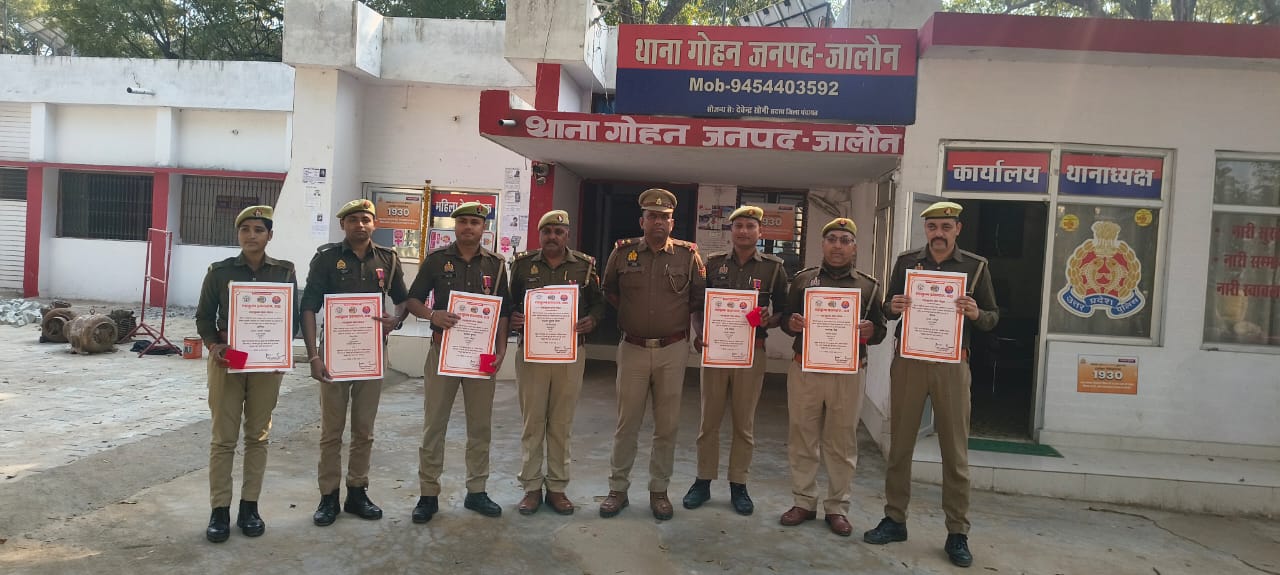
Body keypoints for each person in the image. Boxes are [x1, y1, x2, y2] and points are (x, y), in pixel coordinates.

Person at [862, 201, 998, 568]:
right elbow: (886, 309)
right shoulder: (907, 262)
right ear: (926, 229)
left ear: (958, 229)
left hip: (952, 364)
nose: (939, 233)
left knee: (954, 451)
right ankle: (895, 519)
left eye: (946, 227)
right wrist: (893, 306)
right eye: (933, 227)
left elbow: (992, 316)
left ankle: (957, 531)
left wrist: (976, 313)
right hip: (909, 361)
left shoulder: (975, 266)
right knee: (900, 445)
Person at [300, 198, 409, 527]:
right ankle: (328, 496)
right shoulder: (326, 258)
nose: (360, 224)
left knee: (364, 429)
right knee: (331, 430)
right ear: (342, 225)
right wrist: (313, 356)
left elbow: (403, 300)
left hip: (371, 355)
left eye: (365, 219)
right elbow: (308, 307)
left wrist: (396, 320)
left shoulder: (388, 259)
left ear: (374, 223)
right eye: (353, 220)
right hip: (334, 355)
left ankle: (357, 492)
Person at [599, 188, 706, 521]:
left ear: (672, 223)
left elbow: (698, 298)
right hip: (632, 348)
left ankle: (659, 490)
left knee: (667, 425)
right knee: (626, 424)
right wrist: (633, 314)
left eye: (664, 217)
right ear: (641, 221)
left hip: (672, 349)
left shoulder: (689, 256)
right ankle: (618, 489)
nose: (658, 221)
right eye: (652, 216)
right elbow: (609, 290)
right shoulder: (622, 252)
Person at [404, 201, 512, 523]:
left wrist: (501, 350)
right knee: (434, 425)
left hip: (481, 357)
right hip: (443, 353)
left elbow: (503, 311)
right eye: (462, 221)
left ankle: (477, 490)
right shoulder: (437, 260)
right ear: (455, 226)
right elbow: (412, 300)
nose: (468, 227)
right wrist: (432, 315)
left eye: (474, 223)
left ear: (483, 228)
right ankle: (428, 493)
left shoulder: (496, 264)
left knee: (480, 426)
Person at [778, 217, 886, 537]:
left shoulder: (869, 286)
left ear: (854, 247)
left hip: (847, 373)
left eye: (845, 240)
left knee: (841, 441)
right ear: (823, 244)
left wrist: (872, 330)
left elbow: (880, 330)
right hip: (806, 369)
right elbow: (786, 319)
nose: (838, 246)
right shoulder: (803, 280)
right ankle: (803, 501)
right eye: (832, 239)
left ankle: (837, 507)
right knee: (802, 436)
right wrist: (791, 324)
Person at [196, 205, 297, 543]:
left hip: (266, 363)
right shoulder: (220, 271)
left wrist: (278, 348)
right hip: (230, 360)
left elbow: (292, 319)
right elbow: (204, 317)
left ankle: (249, 507)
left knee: (258, 436)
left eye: (258, 229)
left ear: (270, 235)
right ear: (238, 234)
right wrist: (215, 345)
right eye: (245, 229)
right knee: (223, 438)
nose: (251, 235)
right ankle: (219, 510)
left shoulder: (284, 272)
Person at [682, 205, 788, 516]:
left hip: (752, 353)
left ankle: (738, 484)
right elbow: (697, 306)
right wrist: (699, 333)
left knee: (744, 423)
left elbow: (783, 311)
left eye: (750, 226)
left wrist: (769, 318)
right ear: (731, 231)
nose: (743, 231)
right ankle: (703, 480)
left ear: (760, 232)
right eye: (738, 225)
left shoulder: (774, 269)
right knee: (709, 421)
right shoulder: (712, 265)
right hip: (716, 353)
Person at [508, 210, 605, 515]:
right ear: (540, 234)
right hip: (532, 355)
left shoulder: (584, 266)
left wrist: (593, 320)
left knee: (561, 423)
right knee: (532, 422)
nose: (553, 236)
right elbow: (509, 302)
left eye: (558, 232)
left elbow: (599, 302)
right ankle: (531, 487)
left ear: (567, 235)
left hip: (569, 354)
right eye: (547, 231)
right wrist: (513, 317)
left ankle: (558, 487)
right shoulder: (522, 265)